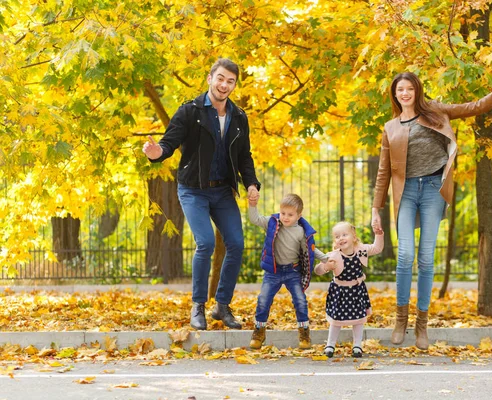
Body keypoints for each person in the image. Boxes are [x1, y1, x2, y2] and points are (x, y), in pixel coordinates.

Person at [371, 65, 492, 350]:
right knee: (405, 255)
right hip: (404, 193)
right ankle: (400, 320)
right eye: (399, 90)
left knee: (427, 258)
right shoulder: (390, 128)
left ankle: (421, 325)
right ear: (394, 96)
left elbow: (475, 106)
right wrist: (375, 209)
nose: (405, 93)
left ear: (417, 90)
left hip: (432, 190)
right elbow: (383, 172)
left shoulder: (436, 112)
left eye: (409, 88)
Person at [142, 58, 260, 331]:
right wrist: (156, 153)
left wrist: (251, 184)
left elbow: (244, 156)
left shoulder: (239, 117)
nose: (224, 85)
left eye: (230, 81)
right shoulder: (190, 111)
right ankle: (198, 306)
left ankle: (222, 306)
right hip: (193, 189)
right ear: (210, 78)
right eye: (220, 78)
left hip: (222, 191)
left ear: (234, 85)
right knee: (205, 243)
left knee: (237, 243)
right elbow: (168, 144)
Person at [247, 193, 330, 350]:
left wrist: (325, 259)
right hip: (273, 271)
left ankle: (304, 332)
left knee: (300, 300)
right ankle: (259, 331)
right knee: (263, 299)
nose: (285, 217)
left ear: (299, 215)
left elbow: (311, 250)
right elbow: (255, 219)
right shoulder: (273, 223)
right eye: (283, 213)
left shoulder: (300, 232)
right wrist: (252, 205)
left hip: (292, 271)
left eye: (290, 215)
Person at [314, 221, 384, 358]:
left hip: (357, 291)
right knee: (336, 320)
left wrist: (378, 234)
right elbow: (317, 270)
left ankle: (357, 345)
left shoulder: (361, 250)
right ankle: (330, 344)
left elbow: (377, 248)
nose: (341, 238)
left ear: (353, 237)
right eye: (337, 236)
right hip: (340, 291)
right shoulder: (333, 255)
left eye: (344, 234)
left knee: (358, 319)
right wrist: (326, 267)